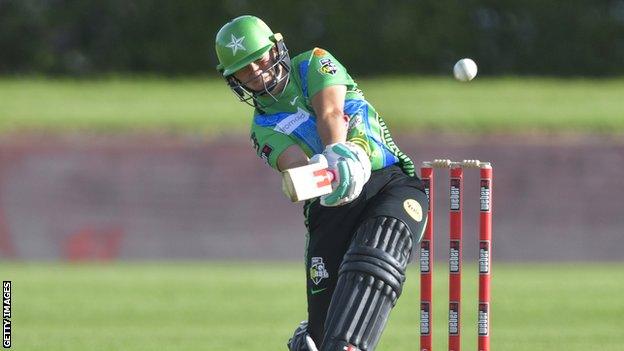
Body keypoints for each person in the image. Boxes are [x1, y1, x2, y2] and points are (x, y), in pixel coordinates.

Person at [215, 15, 428, 351]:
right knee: (320, 335)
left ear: (276, 48)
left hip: (386, 181)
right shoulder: (263, 127)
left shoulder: (313, 62)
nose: (256, 72)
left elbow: (330, 111)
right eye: (244, 69)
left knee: (375, 260)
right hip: (329, 206)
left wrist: (339, 154)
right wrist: (320, 175)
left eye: (259, 59)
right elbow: (295, 169)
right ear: (234, 80)